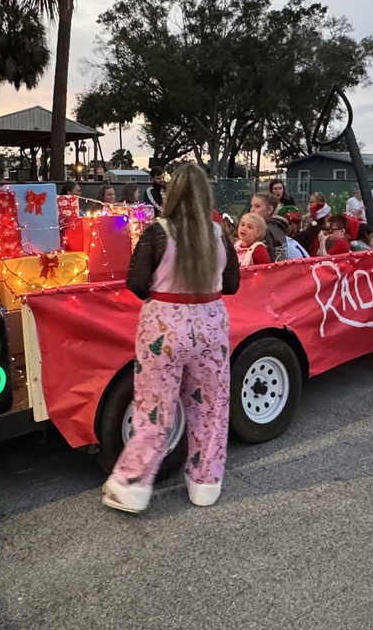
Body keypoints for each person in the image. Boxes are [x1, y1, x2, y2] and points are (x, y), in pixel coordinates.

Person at [103, 163, 240, 514]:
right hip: (211, 328)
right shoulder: (219, 234)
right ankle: (205, 483)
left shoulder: (156, 233)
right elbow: (232, 286)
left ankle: (132, 485)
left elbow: (135, 284)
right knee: (210, 408)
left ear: (170, 193)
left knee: (154, 409)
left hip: (163, 329)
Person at [249, 193, 288, 261]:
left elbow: (266, 263)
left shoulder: (264, 232)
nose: (252, 210)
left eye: (257, 206)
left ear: (270, 209)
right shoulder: (279, 228)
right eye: (251, 206)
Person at [300, 192, 332, 256]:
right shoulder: (306, 218)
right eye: (310, 202)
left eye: (313, 202)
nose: (311, 204)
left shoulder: (328, 224)